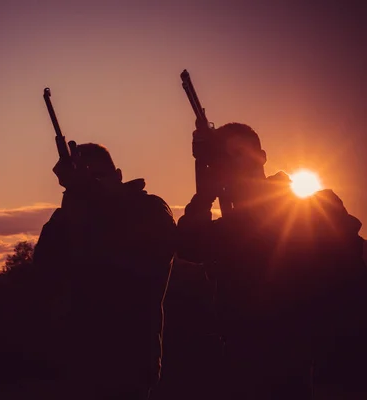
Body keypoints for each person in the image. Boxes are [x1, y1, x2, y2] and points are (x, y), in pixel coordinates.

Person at [177, 122, 366, 399]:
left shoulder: (310, 205)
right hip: (240, 361)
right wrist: (205, 195)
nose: (233, 164)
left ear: (262, 156)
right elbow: (189, 247)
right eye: (225, 158)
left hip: (302, 366)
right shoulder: (229, 226)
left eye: (238, 153)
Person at [33, 143, 177, 399]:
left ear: (119, 176)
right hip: (73, 366)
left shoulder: (151, 208)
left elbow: (134, 259)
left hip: (130, 365)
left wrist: (88, 199)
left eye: (98, 178)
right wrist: (73, 201)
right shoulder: (70, 216)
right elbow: (44, 273)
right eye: (86, 181)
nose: (93, 186)